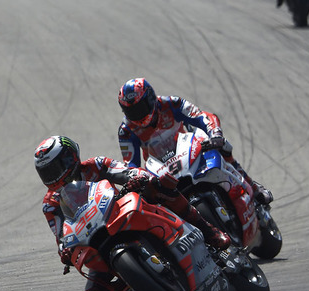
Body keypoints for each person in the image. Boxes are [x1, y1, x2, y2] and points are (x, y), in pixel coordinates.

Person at [35, 135, 232, 291]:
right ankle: (135, 281)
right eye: (46, 173)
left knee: (160, 188)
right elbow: (60, 234)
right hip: (97, 237)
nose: (53, 177)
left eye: (55, 169)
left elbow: (125, 171)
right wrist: (65, 251)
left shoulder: (96, 165)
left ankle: (208, 230)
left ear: (71, 159)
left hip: (120, 212)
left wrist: (137, 178)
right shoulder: (50, 204)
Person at [117, 77, 273, 205]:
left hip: (188, 148)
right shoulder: (126, 131)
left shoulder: (171, 103)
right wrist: (136, 180)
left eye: (140, 108)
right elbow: (130, 164)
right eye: (131, 111)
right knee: (153, 199)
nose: (137, 115)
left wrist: (215, 134)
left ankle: (253, 186)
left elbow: (201, 116)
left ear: (150, 98)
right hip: (160, 167)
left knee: (221, 146)